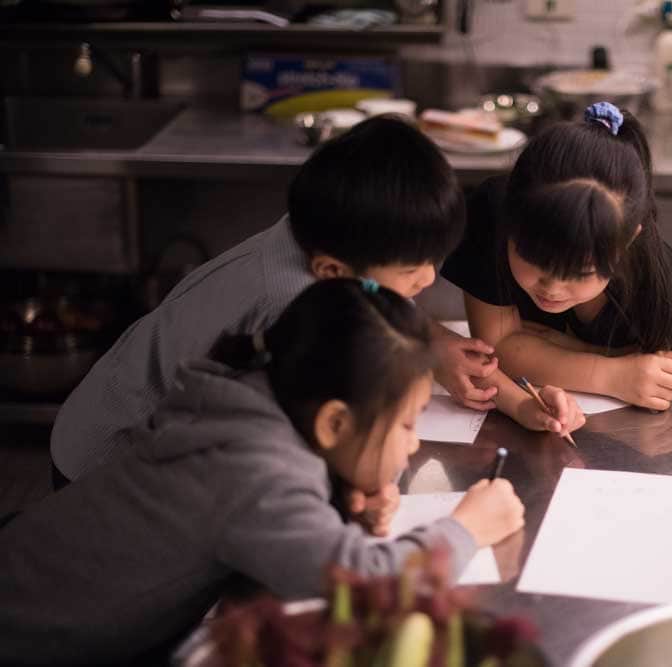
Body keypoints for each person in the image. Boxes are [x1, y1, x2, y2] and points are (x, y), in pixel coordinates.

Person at [0, 279, 526, 666]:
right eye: (408, 425)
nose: (413, 444)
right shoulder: (259, 476)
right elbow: (362, 580)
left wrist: (338, 491)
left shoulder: (246, 389)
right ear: (334, 422)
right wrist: (466, 528)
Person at [49, 115, 531, 494]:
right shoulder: (293, 304)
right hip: (105, 462)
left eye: (431, 261)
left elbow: (368, 291)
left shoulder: (321, 231)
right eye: (411, 272)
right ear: (330, 271)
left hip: (107, 419)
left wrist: (436, 343)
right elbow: (307, 445)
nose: (427, 279)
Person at [441, 102, 672, 411]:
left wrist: (567, 350)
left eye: (581, 272)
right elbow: (499, 348)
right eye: (534, 260)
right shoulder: (493, 211)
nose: (552, 289)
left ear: (628, 240)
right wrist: (612, 372)